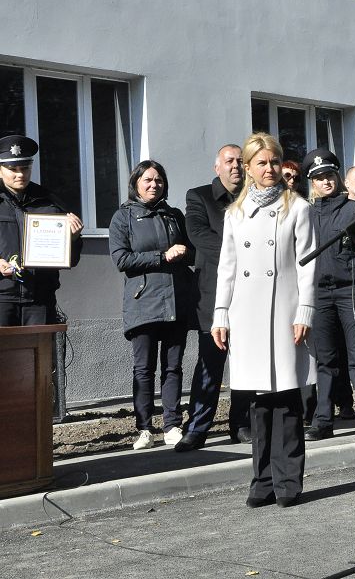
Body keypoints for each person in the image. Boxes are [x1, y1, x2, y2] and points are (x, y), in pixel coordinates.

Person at [212, 132, 316, 508]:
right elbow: (227, 266)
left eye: (274, 162)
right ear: (249, 168)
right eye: (261, 163)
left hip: (286, 312)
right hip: (247, 313)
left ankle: (288, 481)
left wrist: (305, 310)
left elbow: (307, 265)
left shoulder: (298, 207)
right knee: (258, 400)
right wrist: (220, 313)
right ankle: (262, 480)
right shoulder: (235, 213)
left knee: (287, 398)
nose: (269, 169)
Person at [108, 160, 194, 450]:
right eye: (147, 179)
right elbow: (122, 259)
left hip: (175, 301)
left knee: (173, 367)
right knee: (143, 369)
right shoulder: (124, 217)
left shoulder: (174, 216)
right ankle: (144, 428)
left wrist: (186, 252)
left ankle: (172, 424)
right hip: (142, 303)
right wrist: (162, 256)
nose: (154, 184)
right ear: (136, 184)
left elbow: (191, 251)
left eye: (158, 180)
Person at [176, 144, 253, 451]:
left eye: (239, 161)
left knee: (245, 363)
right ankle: (196, 428)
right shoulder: (199, 197)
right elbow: (198, 236)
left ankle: (241, 424)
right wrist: (242, 253)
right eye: (229, 161)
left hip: (249, 293)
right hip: (214, 293)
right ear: (217, 167)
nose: (235, 166)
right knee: (210, 363)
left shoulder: (253, 195)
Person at [302, 147, 355, 441]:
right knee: (325, 360)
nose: (325, 182)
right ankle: (323, 421)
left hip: (351, 290)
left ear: (337, 176)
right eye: (318, 178)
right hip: (319, 294)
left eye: (329, 175)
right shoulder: (305, 214)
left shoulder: (354, 209)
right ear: (312, 182)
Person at [0, 135, 83, 325]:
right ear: (0, 170)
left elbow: (72, 259)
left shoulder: (49, 202)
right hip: (2, 298)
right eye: (12, 169)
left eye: (25, 168)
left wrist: (73, 239)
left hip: (40, 300)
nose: (20, 174)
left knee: (41, 355)